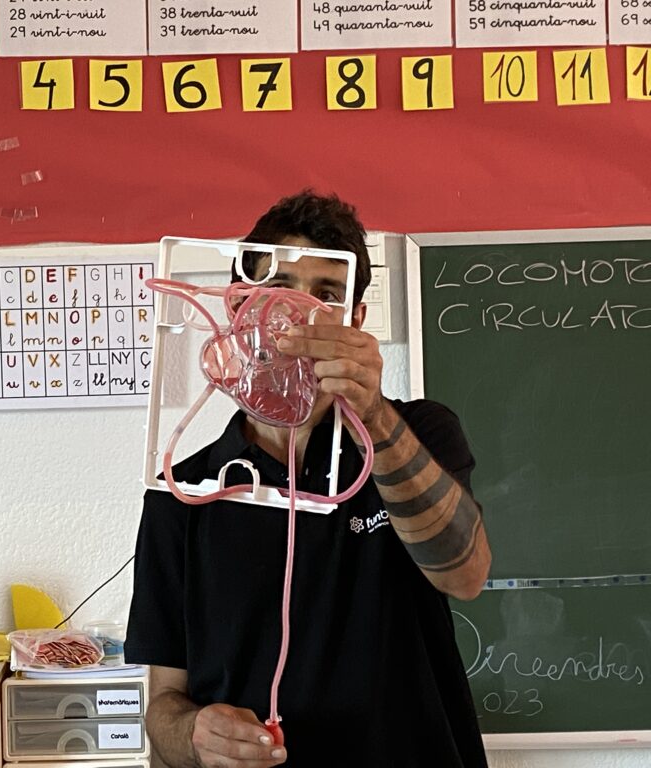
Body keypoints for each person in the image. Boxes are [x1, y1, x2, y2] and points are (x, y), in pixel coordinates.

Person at [124, 189, 492, 767]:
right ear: (239, 306)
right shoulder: (184, 491)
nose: (298, 315)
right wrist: (195, 734)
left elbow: (465, 574)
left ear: (356, 322)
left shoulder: (417, 433)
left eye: (326, 295)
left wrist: (374, 416)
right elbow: (163, 708)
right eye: (279, 288)